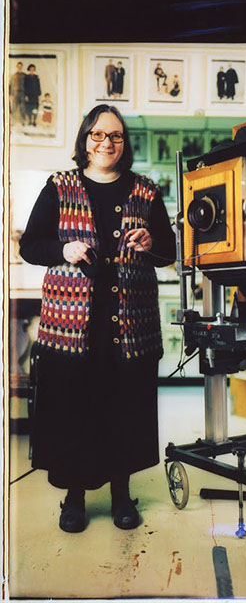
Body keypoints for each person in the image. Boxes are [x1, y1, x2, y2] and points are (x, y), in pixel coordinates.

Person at [19, 104, 176, 534]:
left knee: (123, 406)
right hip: (71, 325)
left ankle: (122, 495)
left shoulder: (144, 191)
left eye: (115, 137)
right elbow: (30, 245)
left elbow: (169, 252)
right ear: (85, 139)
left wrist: (150, 241)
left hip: (129, 325)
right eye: (98, 135)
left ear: (124, 144)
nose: (106, 143)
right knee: (74, 408)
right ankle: (74, 498)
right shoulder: (59, 186)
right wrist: (62, 250)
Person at [9, 61, 26, 125]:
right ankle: (12, 121)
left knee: (22, 108)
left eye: (21, 66)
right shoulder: (14, 76)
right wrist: (10, 94)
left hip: (22, 93)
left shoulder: (24, 75)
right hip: (15, 93)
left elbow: (27, 84)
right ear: (17, 67)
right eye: (18, 66)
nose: (19, 67)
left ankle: (23, 121)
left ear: (22, 67)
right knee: (14, 108)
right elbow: (10, 85)